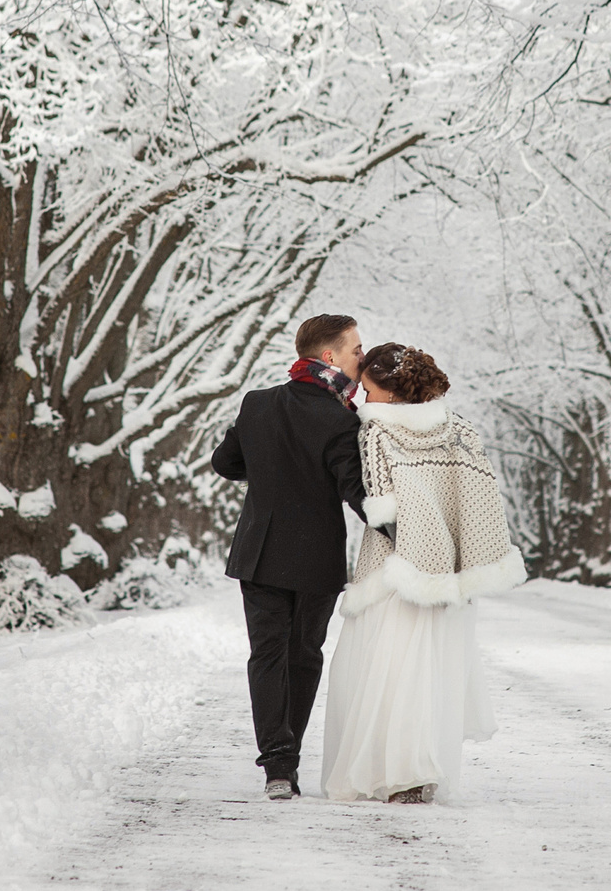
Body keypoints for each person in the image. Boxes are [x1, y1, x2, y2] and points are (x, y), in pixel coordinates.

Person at [320, 343, 527, 805]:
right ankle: (418, 773)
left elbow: (381, 505)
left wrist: (414, 537)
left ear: (392, 393)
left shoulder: (376, 430)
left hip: (395, 568)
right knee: (431, 674)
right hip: (448, 573)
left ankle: (394, 774)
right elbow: (480, 497)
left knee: (387, 675)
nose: (363, 398)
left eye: (368, 389)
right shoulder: (460, 429)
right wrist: (454, 553)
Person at [210, 312, 371, 801]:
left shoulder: (257, 403)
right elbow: (357, 494)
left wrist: (271, 471)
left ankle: (277, 766)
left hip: (258, 553)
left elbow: (225, 463)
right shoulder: (341, 419)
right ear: (329, 357)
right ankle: (287, 759)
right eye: (356, 350)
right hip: (315, 560)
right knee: (303, 657)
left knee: (266, 655)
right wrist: (410, 531)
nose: (362, 357)